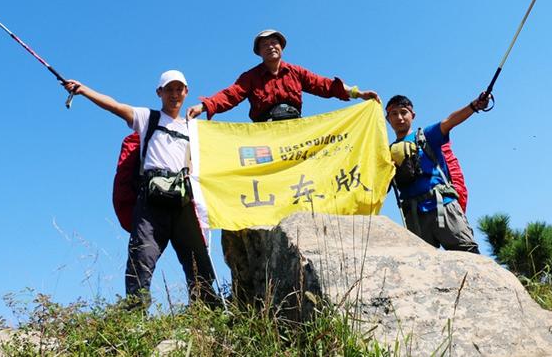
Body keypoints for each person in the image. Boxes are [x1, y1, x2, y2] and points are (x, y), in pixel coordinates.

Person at [63, 70, 217, 306]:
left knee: (198, 260)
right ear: (159, 92)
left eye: (179, 89)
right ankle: (135, 316)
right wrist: (84, 90)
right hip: (151, 200)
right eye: (169, 89)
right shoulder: (148, 118)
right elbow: (114, 106)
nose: (174, 94)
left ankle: (207, 313)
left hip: (184, 200)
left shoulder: (194, 129)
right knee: (141, 257)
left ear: (186, 92)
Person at [187, 29, 379, 122]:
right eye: (264, 44)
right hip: (265, 133)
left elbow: (325, 85)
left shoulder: (296, 72)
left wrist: (358, 93)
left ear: (281, 47)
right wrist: (203, 106)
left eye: (274, 42)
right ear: (259, 52)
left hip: (294, 131)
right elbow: (230, 95)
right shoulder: (251, 77)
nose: (270, 46)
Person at [384, 93, 491, 253]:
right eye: (394, 114)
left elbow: (449, 121)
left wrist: (474, 106)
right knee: (422, 266)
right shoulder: (387, 152)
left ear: (412, 115)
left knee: (467, 254)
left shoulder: (426, 136)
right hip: (414, 216)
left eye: (403, 112)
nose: (399, 117)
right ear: (388, 119)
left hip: (442, 205)